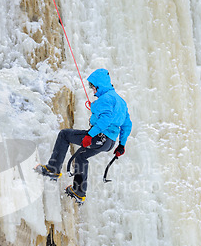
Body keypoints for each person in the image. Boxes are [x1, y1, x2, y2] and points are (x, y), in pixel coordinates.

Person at [35, 68, 132, 204]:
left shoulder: (106, 99)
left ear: (99, 85)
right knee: (81, 157)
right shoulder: (120, 101)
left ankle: (53, 169)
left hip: (99, 137)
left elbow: (105, 120)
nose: (92, 90)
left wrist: (90, 135)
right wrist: (121, 145)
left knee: (64, 135)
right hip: (109, 143)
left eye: (92, 86)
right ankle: (79, 191)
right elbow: (127, 125)